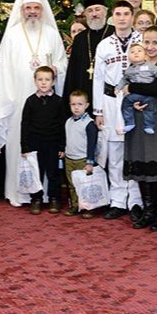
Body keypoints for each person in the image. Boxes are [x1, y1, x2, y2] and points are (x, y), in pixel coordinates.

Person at [0, 0, 68, 206]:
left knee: (48, 148)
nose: (32, 12)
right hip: (19, 100)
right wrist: (9, 99)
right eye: (28, 8)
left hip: (48, 101)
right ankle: (22, 192)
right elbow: (3, 69)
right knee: (23, 144)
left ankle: (47, 193)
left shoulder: (51, 34)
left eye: (36, 8)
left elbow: (63, 61)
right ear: (21, 10)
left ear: (42, 10)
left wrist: (55, 67)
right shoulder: (12, 34)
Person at [91, 1, 143, 219]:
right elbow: (98, 79)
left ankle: (136, 201)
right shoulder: (104, 45)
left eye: (126, 14)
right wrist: (98, 111)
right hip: (111, 102)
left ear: (132, 16)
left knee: (136, 152)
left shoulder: (141, 39)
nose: (122, 18)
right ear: (113, 17)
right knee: (114, 154)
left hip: (136, 101)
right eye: (118, 14)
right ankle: (118, 200)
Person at [123, 27, 157, 231]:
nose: (150, 46)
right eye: (147, 42)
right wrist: (131, 99)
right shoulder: (135, 64)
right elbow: (124, 87)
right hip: (138, 121)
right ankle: (148, 210)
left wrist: (133, 88)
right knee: (142, 165)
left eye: (155, 43)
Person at [20, 66, 66, 214]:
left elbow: (62, 125)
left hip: (53, 142)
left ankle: (54, 198)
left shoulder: (59, 101)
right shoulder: (30, 101)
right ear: (35, 81)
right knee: (36, 172)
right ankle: (36, 199)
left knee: (53, 173)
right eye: (40, 79)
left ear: (53, 82)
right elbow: (25, 124)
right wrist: (25, 147)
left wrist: (62, 146)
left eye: (47, 79)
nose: (43, 83)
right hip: (34, 142)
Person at [64, 0, 113, 108]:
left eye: (97, 10)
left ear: (105, 12)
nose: (94, 14)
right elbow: (72, 72)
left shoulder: (114, 34)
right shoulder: (80, 38)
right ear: (85, 14)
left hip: (108, 95)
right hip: (83, 97)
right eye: (90, 11)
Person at [117, 43, 157, 135]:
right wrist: (118, 88)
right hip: (135, 99)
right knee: (125, 102)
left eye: (139, 51)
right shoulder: (129, 69)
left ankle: (149, 125)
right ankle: (129, 122)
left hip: (152, 101)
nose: (136, 53)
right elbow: (124, 80)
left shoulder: (150, 66)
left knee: (150, 109)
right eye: (132, 52)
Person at [64, 90, 99, 218]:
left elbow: (92, 144)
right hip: (69, 158)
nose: (76, 107)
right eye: (73, 104)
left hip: (83, 159)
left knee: (85, 185)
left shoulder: (89, 124)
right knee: (72, 185)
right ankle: (75, 205)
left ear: (87, 105)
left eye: (80, 104)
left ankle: (89, 207)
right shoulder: (68, 122)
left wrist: (90, 162)